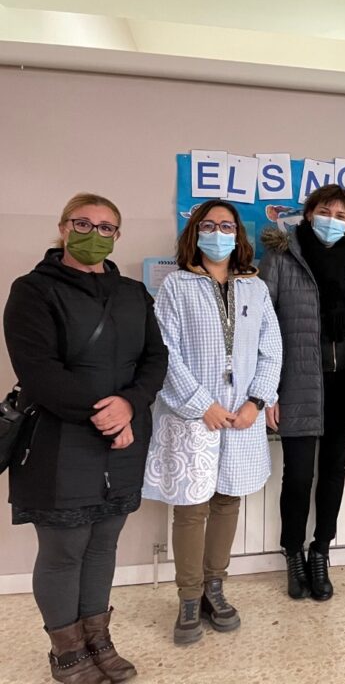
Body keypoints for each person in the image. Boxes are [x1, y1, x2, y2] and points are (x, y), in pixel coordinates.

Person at [4, 193, 168, 683]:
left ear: (117, 235)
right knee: (64, 550)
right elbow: (38, 371)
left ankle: (98, 641)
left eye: (105, 227)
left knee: (103, 545)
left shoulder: (133, 293)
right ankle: (68, 653)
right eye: (83, 223)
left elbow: (155, 358)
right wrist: (108, 417)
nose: (93, 234)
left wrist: (131, 404)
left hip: (125, 439)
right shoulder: (33, 290)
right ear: (63, 227)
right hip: (60, 439)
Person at [143, 200, 282, 645]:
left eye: (226, 226)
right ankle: (188, 596)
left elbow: (271, 349)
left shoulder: (255, 288)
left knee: (227, 500)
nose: (218, 233)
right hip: (193, 416)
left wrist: (257, 402)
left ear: (238, 236)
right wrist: (201, 404)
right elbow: (165, 351)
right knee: (191, 507)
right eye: (208, 225)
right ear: (195, 233)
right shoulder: (176, 286)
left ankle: (214, 587)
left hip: (242, 415)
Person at [259, 185, 345, 601]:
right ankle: (293, 553)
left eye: (341, 215)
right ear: (308, 214)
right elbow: (263, 328)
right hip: (298, 382)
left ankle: (321, 550)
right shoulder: (281, 257)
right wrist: (268, 392)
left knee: (334, 473)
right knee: (298, 475)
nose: (332, 220)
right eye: (325, 211)